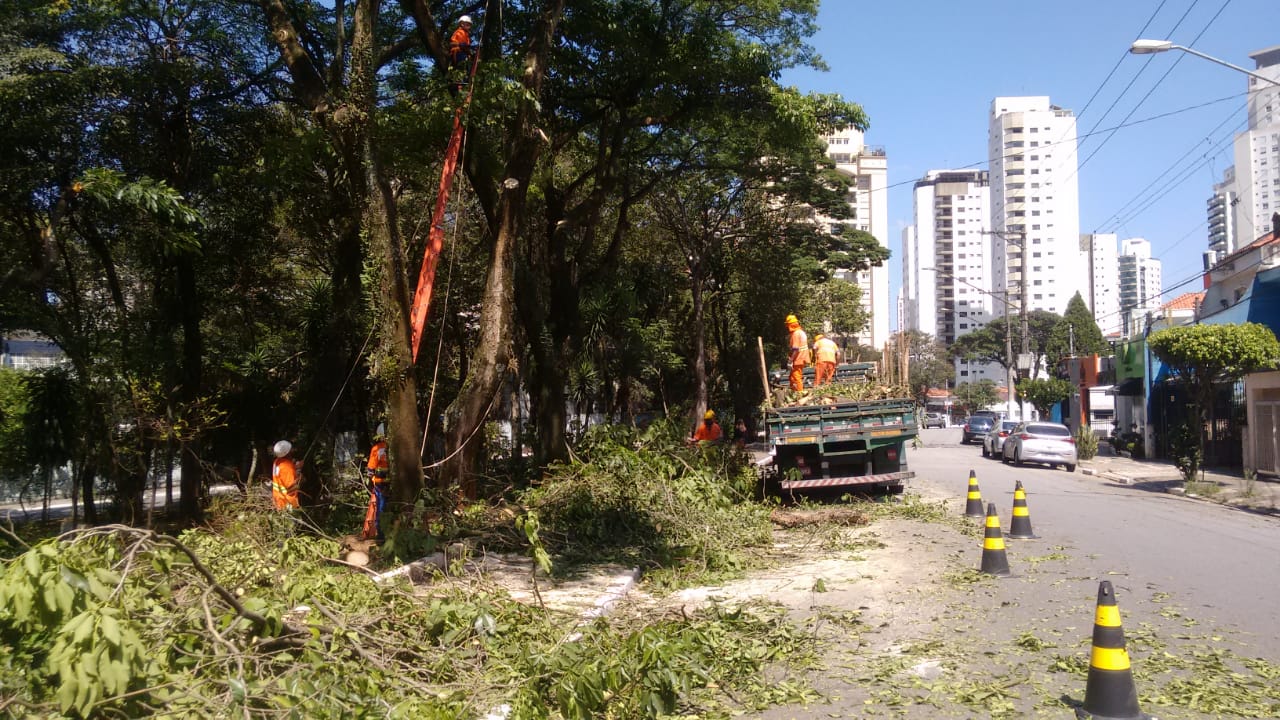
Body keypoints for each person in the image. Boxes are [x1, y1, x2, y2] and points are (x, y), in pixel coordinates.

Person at [362, 432, 390, 541]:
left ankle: (381, 535)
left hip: (380, 483)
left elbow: (370, 469)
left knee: (381, 508)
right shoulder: (395, 447)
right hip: (392, 483)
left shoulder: (377, 448)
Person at [271, 440, 299, 511]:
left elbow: (282, 474)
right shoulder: (287, 468)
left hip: (278, 499)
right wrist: (300, 479)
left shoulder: (277, 461)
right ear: (288, 453)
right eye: (291, 449)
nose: (292, 450)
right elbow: (291, 488)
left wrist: (295, 467)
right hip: (287, 503)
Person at [786, 314, 809, 392]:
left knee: (796, 377)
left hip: (798, 358)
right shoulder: (801, 332)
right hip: (802, 357)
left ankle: (799, 393)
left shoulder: (796, 334)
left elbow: (796, 349)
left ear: (790, 325)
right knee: (792, 377)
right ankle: (794, 391)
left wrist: (790, 361)